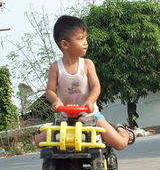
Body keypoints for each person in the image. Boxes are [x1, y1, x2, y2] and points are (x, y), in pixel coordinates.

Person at [35, 15, 135, 150]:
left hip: (90, 116)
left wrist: (90, 101)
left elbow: (96, 87)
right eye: (81, 39)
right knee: (38, 141)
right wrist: (56, 101)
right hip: (67, 118)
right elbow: (50, 90)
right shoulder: (55, 67)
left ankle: (122, 129)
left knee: (120, 144)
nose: (86, 42)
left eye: (85, 38)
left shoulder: (87, 64)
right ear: (65, 44)